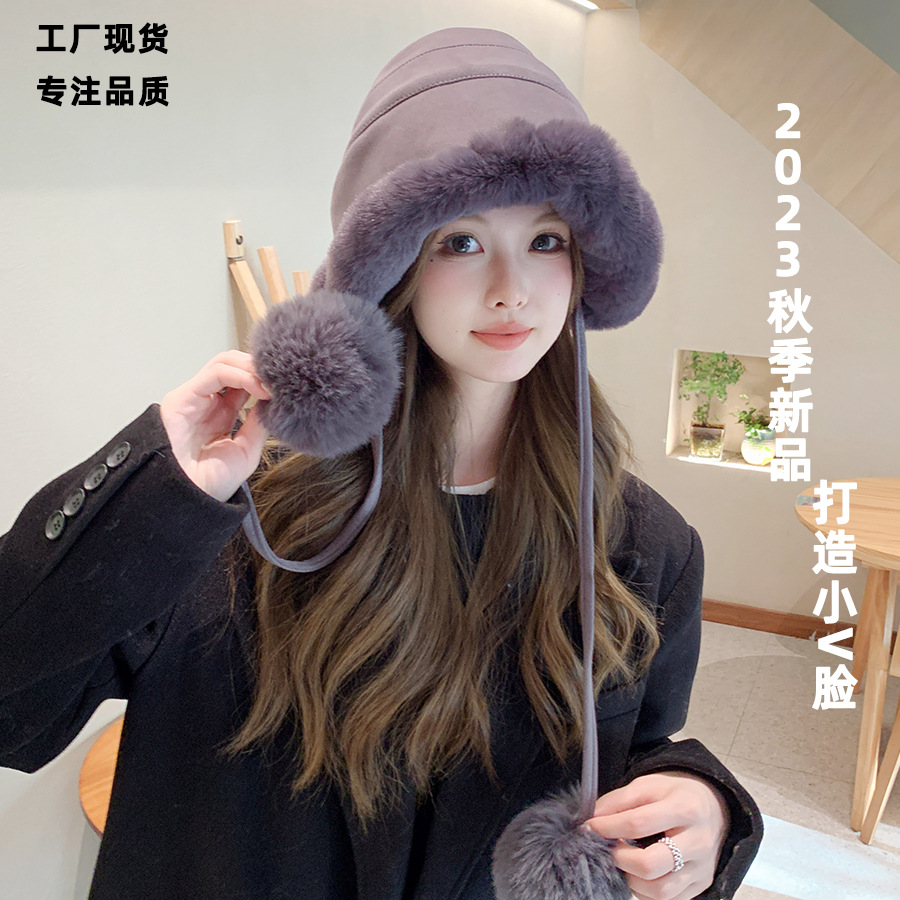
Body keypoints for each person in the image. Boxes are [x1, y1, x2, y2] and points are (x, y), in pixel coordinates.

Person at [0, 27, 762, 900]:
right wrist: (150, 489)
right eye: (461, 242)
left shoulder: (645, 546)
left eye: (547, 240)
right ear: (392, 266)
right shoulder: (234, 522)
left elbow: (636, 764)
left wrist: (705, 806)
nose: (513, 288)